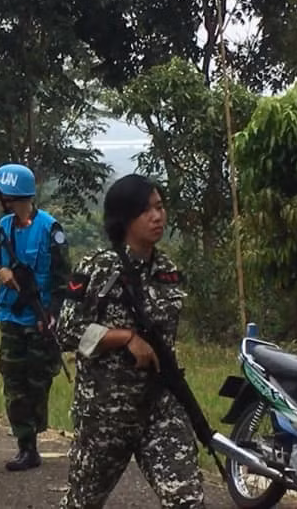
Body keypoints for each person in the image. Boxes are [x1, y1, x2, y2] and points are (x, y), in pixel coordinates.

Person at [56, 174, 205, 508]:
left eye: (160, 207)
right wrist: (123, 338)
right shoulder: (97, 268)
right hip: (106, 413)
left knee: (187, 499)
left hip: (159, 408)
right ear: (124, 218)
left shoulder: (167, 269)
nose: (157, 216)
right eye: (146, 210)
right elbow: (66, 331)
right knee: (83, 502)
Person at [0, 163, 70, 471]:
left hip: (40, 318)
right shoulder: (3, 226)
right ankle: (25, 445)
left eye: (3, 194)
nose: (1, 200)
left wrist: (52, 315)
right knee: (13, 379)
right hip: (11, 314)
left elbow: (63, 279)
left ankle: (34, 433)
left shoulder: (50, 229)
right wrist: (0, 270)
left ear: (12, 195)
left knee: (38, 380)